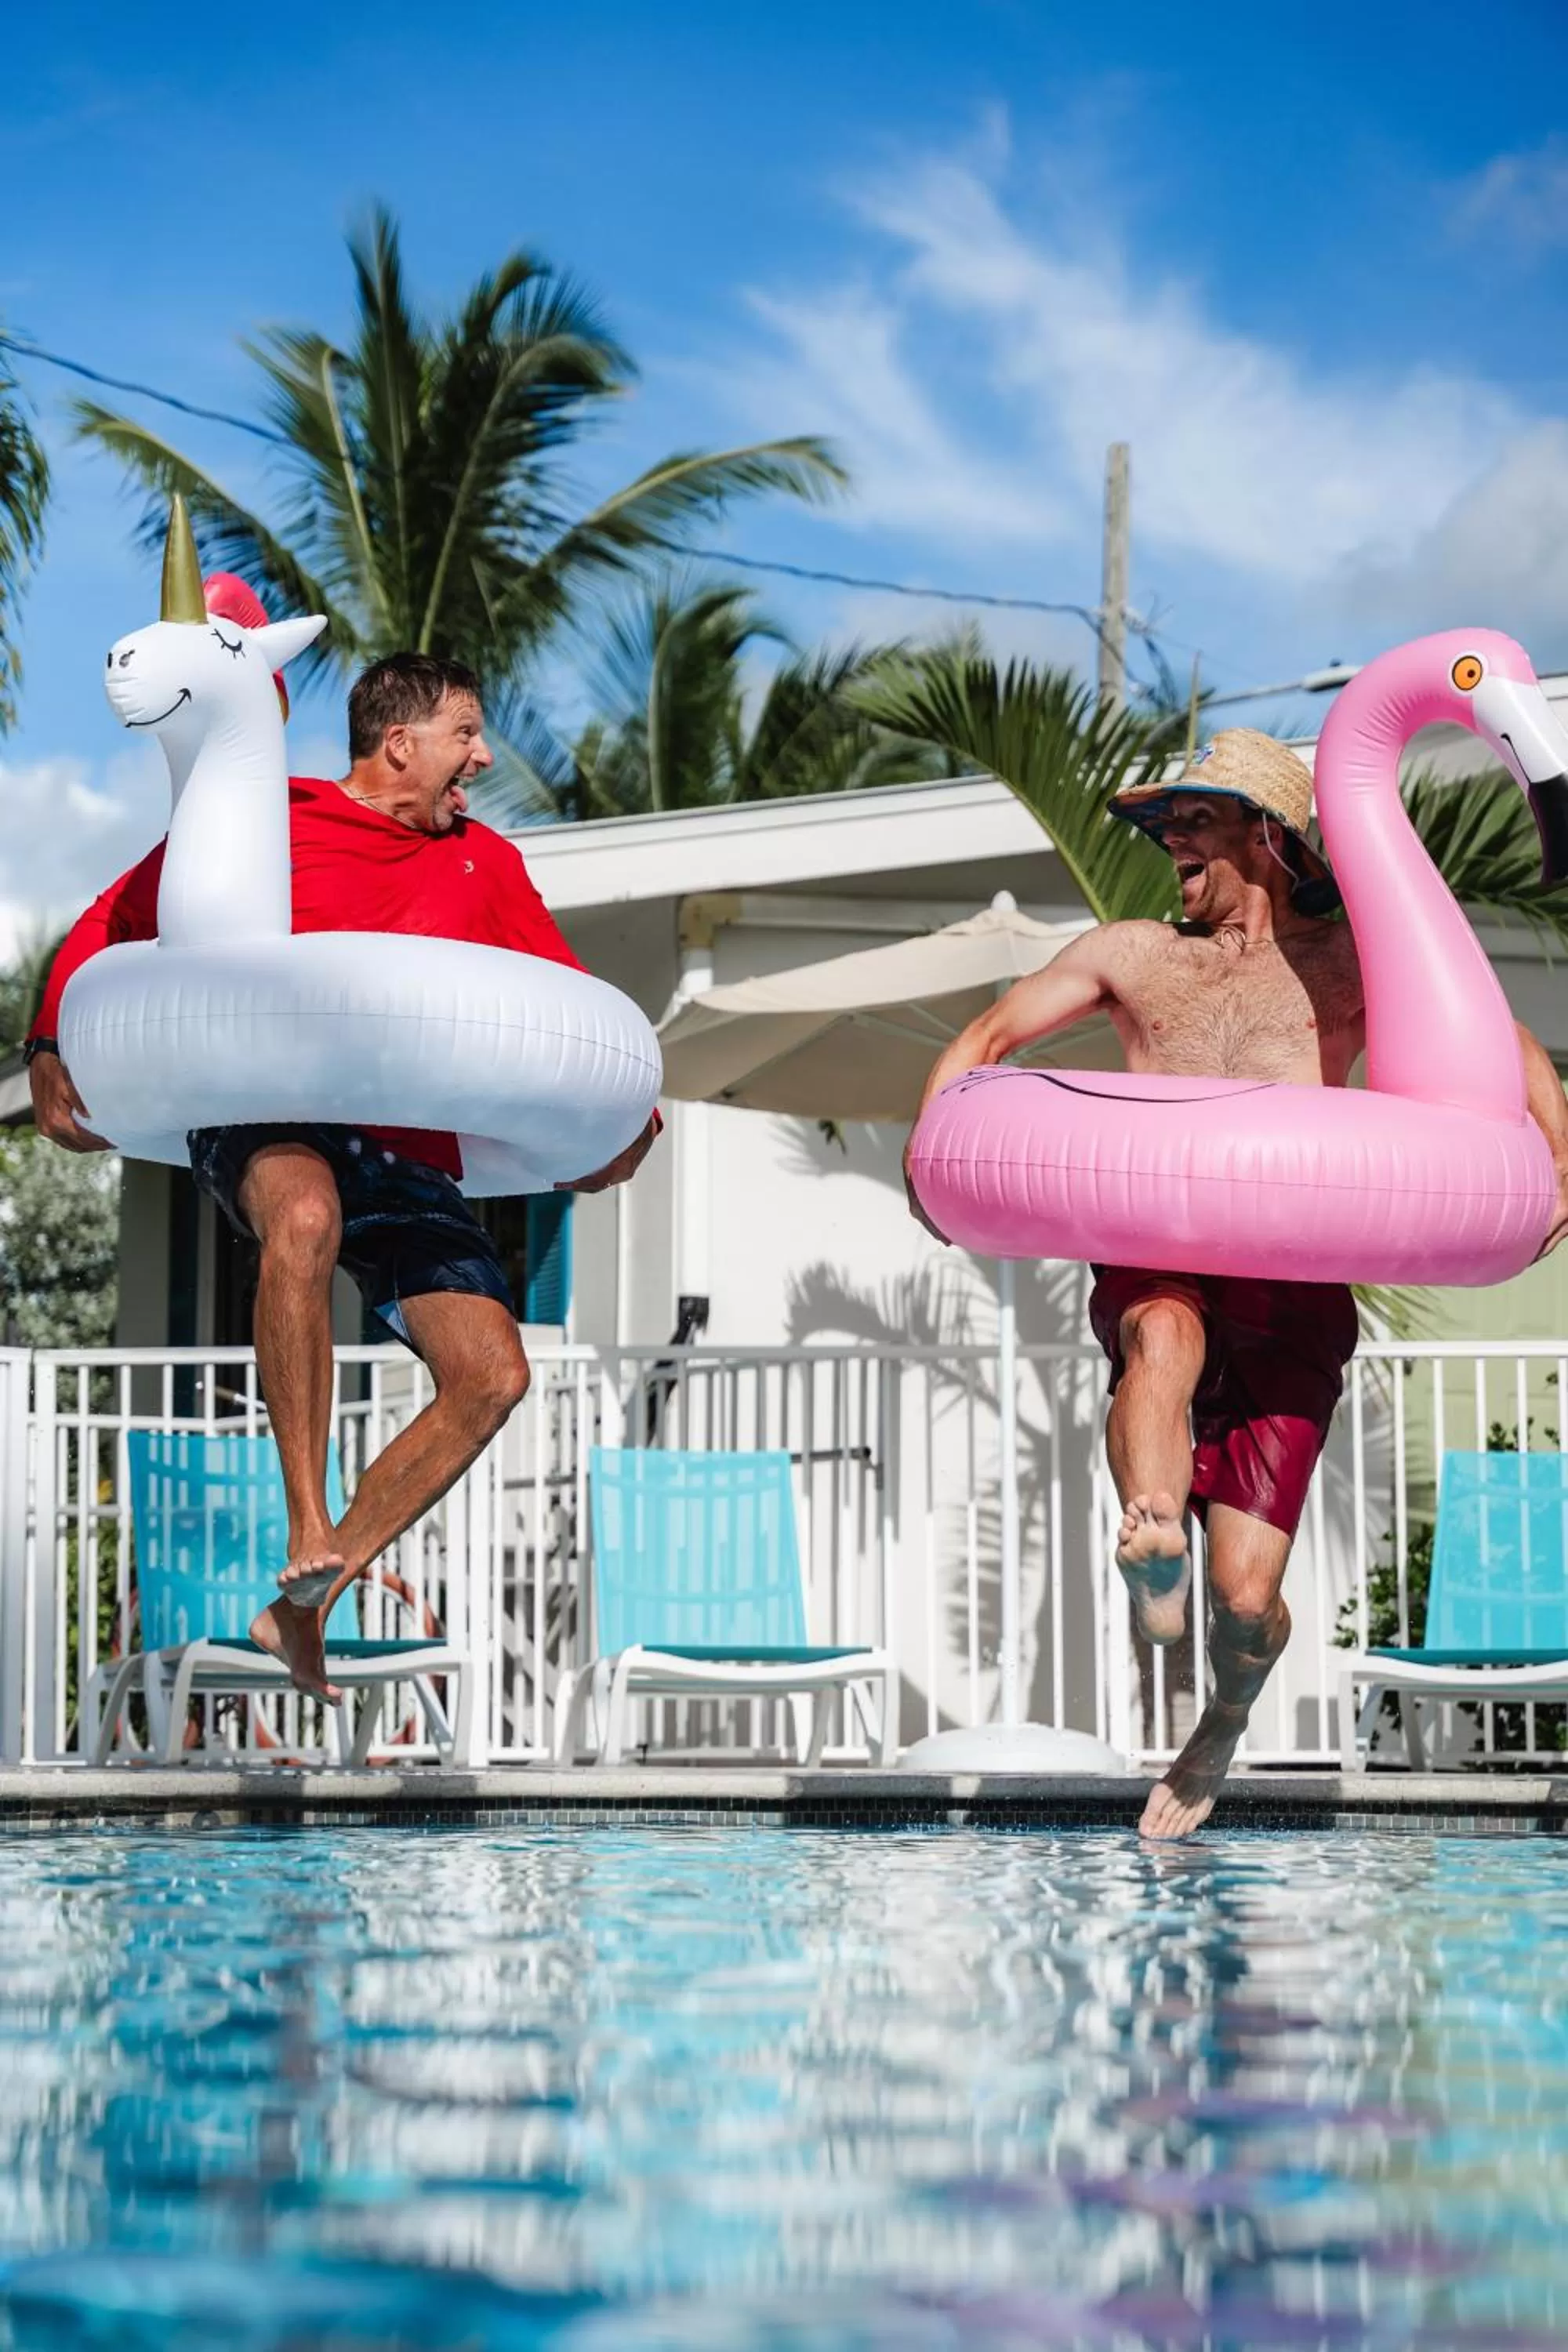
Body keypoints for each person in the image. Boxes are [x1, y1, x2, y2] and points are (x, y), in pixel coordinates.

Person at [906, 728, 1568, 1839]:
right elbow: (985, 1036)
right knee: (1159, 1336)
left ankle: (1223, 1709)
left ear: (1266, 834)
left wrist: (1559, 1171)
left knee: (1249, 1599)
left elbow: (1505, 1050)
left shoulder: (1353, 965)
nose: (1171, 841)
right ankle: (1152, 1536)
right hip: (1156, 1233)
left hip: (1293, 1273)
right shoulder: (1131, 952)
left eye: (1192, 821)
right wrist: (932, 1162)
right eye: (1164, 824)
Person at [29, 606, 659, 1704]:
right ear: (398, 740)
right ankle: (308, 1519)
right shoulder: (270, 816)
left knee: (493, 1373)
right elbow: (110, 920)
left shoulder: (486, 865)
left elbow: (564, 1013)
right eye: (466, 732)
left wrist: (614, 1123)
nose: (483, 757)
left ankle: (304, 1602)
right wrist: (47, 1044)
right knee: (304, 1220)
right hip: (263, 1109)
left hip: (406, 1152)